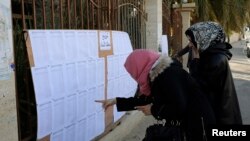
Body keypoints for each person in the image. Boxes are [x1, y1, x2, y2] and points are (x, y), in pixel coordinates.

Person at [96, 49, 215, 141]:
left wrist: (153, 110)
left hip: (198, 128)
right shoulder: (159, 75)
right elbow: (145, 100)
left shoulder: (168, 75)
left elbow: (179, 106)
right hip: (191, 124)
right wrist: (116, 101)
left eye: (133, 72)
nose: (134, 77)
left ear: (140, 67)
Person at [182, 21, 242, 125]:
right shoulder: (211, 55)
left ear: (205, 38)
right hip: (218, 115)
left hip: (221, 119)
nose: (190, 45)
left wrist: (195, 62)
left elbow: (198, 88)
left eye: (192, 40)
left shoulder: (215, 60)